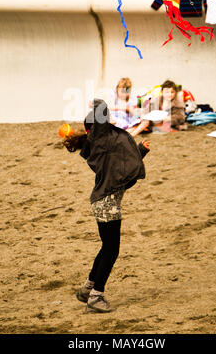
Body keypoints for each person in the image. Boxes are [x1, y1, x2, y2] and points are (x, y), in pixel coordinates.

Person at [63, 99, 150, 313]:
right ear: (97, 128)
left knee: (107, 248)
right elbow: (101, 112)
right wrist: (98, 102)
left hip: (103, 202)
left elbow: (121, 168)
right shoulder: (99, 138)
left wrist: (141, 151)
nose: (110, 121)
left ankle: (87, 290)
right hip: (107, 203)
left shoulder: (101, 146)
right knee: (112, 250)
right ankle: (96, 296)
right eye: (105, 121)